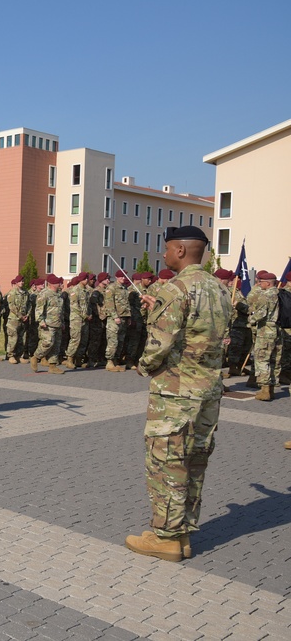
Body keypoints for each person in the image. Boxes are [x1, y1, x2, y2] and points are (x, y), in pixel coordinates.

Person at [125, 225, 229, 562]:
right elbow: (199, 329)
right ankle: (182, 531)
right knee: (194, 462)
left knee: (167, 463)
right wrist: (158, 306)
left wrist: (144, 365)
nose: (165, 255)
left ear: (181, 251)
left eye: (168, 249)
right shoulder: (219, 289)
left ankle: (166, 538)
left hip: (175, 393)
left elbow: (160, 344)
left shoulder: (176, 288)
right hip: (208, 390)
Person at [248, 271, 283, 401]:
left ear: (268, 283)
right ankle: (272, 388)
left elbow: (261, 313)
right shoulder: (281, 293)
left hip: (265, 330)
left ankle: (265, 390)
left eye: (261, 282)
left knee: (262, 359)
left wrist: (250, 320)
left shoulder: (265, 295)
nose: (259, 284)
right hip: (278, 329)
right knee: (274, 359)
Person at [31, 275, 64, 374]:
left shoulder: (58, 294)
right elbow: (39, 309)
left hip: (57, 323)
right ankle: (36, 357)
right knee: (47, 343)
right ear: (52, 284)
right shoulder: (44, 294)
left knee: (56, 345)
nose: (60, 284)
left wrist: (62, 322)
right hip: (47, 324)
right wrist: (41, 321)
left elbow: (60, 310)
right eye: (58, 282)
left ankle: (52, 366)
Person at [105, 270, 131, 370]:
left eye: (124, 276)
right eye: (121, 277)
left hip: (123, 317)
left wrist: (129, 317)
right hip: (114, 319)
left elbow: (126, 303)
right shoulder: (111, 288)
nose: (123, 278)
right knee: (113, 341)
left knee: (120, 341)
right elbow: (109, 303)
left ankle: (115, 360)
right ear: (116, 277)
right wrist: (115, 316)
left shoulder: (124, 288)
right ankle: (109, 362)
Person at [87, 272, 110, 368]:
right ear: (102, 280)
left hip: (105, 318)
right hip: (97, 319)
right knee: (95, 340)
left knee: (103, 340)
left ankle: (101, 359)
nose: (108, 280)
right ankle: (91, 360)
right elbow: (94, 305)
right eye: (107, 279)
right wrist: (99, 315)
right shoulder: (96, 291)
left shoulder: (107, 290)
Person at [4, 275, 28, 364]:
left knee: (22, 339)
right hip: (14, 319)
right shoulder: (12, 293)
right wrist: (20, 315)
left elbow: (28, 305)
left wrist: (27, 315)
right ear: (16, 283)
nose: (22, 282)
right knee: (13, 338)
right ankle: (11, 355)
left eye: (23, 281)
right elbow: (12, 306)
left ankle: (19, 355)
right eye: (20, 281)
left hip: (23, 319)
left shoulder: (25, 292)